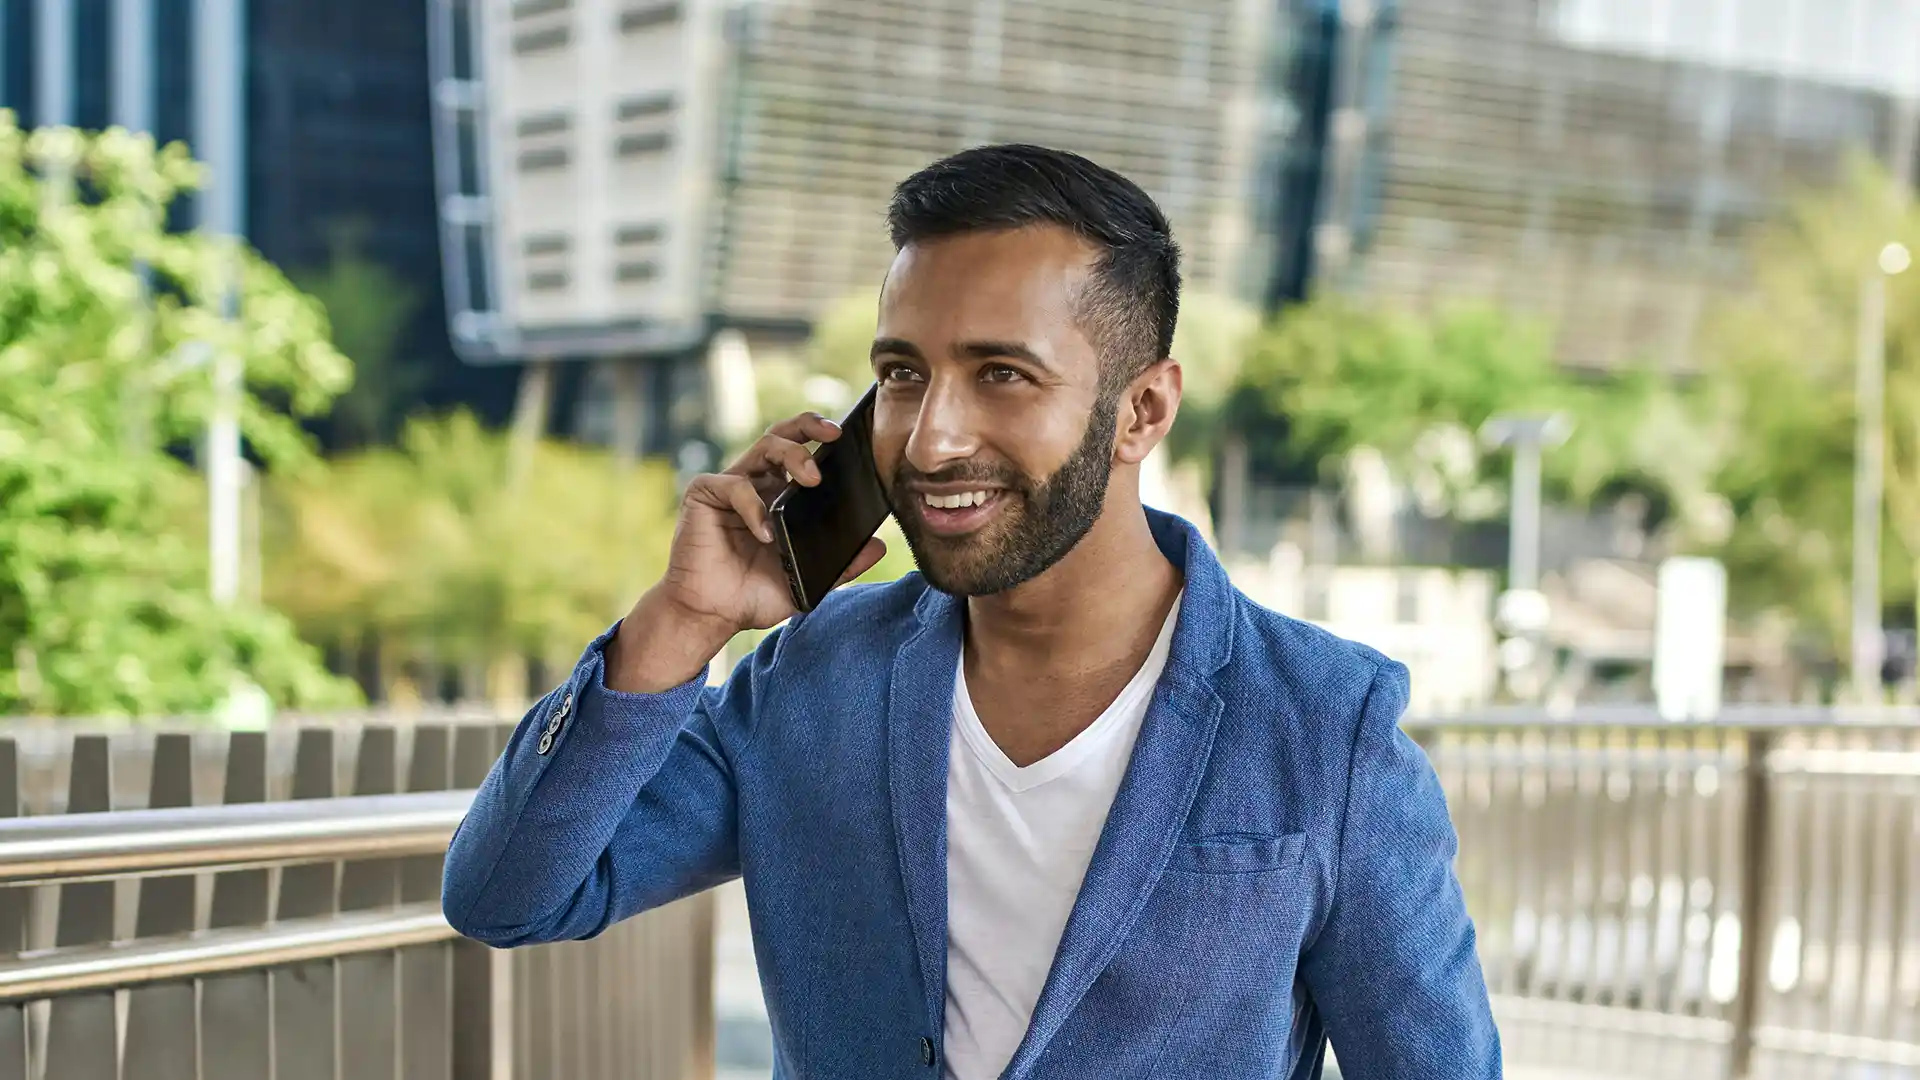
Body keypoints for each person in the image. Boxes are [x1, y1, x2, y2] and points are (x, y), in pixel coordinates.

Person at [442, 143, 1501, 1079]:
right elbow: (510, 895)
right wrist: (684, 619)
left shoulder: (1324, 726)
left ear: (1142, 410)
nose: (932, 438)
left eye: (1002, 373)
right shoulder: (811, 682)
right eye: (903, 374)